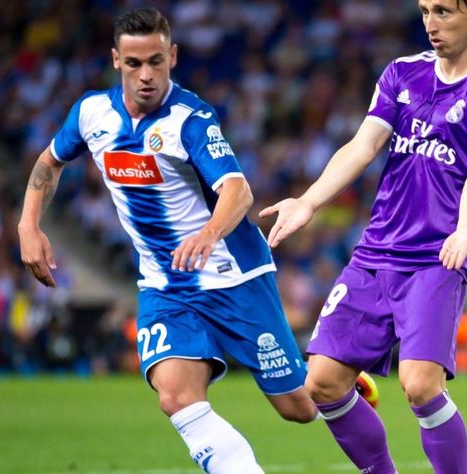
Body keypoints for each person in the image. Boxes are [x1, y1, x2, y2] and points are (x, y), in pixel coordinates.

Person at [16, 8, 314, 473]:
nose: (147, 75)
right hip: (164, 284)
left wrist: (208, 233)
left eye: (156, 61)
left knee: (299, 408)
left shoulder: (190, 118)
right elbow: (49, 162)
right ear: (116, 61)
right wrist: (27, 225)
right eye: (134, 64)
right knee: (175, 396)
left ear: (172, 56)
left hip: (233, 275)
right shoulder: (92, 113)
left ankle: (338, 380)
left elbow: (238, 190)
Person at [260, 1, 467, 472]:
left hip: (435, 257)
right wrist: (309, 201)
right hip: (374, 254)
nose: (430, 23)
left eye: (444, 11)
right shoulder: (402, 73)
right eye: (425, 11)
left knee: (420, 385)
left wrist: (465, 227)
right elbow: (363, 145)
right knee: (320, 383)